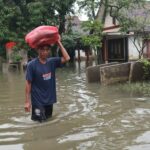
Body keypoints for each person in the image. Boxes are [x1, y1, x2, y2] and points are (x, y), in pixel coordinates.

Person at [25, 39, 70, 122]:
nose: (45, 52)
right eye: (42, 50)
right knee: (39, 123)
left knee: (48, 120)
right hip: (37, 100)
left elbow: (67, 58)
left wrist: (59, 43)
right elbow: (28, 83)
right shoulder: (31, 65)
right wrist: (27, 102)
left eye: (47, 50)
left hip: (49, 100)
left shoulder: (52, 62)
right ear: (38, 50)